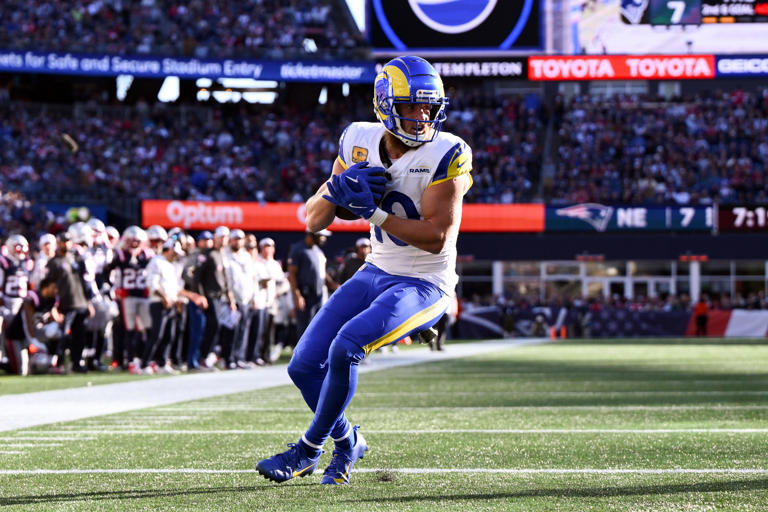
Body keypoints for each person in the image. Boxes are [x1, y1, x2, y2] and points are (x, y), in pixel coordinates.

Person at [257, 56, 472, 485]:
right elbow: (312, 219)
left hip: (424, 282)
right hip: (375, 272)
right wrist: (335, 191)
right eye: (411, 106)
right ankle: (349, 440)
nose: (422, 117)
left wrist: (371, 214)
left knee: (346, 347)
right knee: (301, 366)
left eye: (428, 108)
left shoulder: (448, 151)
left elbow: (437, 237)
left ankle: (307, 449)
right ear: (385, 104)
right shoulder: (357, 139)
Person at [286, 229, 338, 343]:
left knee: (318, 327)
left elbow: (322, 273)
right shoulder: (298, 249)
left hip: (318, 296)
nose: (324, 238)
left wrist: (334, 286)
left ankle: (313, 356)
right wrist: (297, 296)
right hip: (305, 296)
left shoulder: (318, 251)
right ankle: (301, 357)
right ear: (313, 234)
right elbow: (292, 274)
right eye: (321, 236)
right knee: (305, 328)